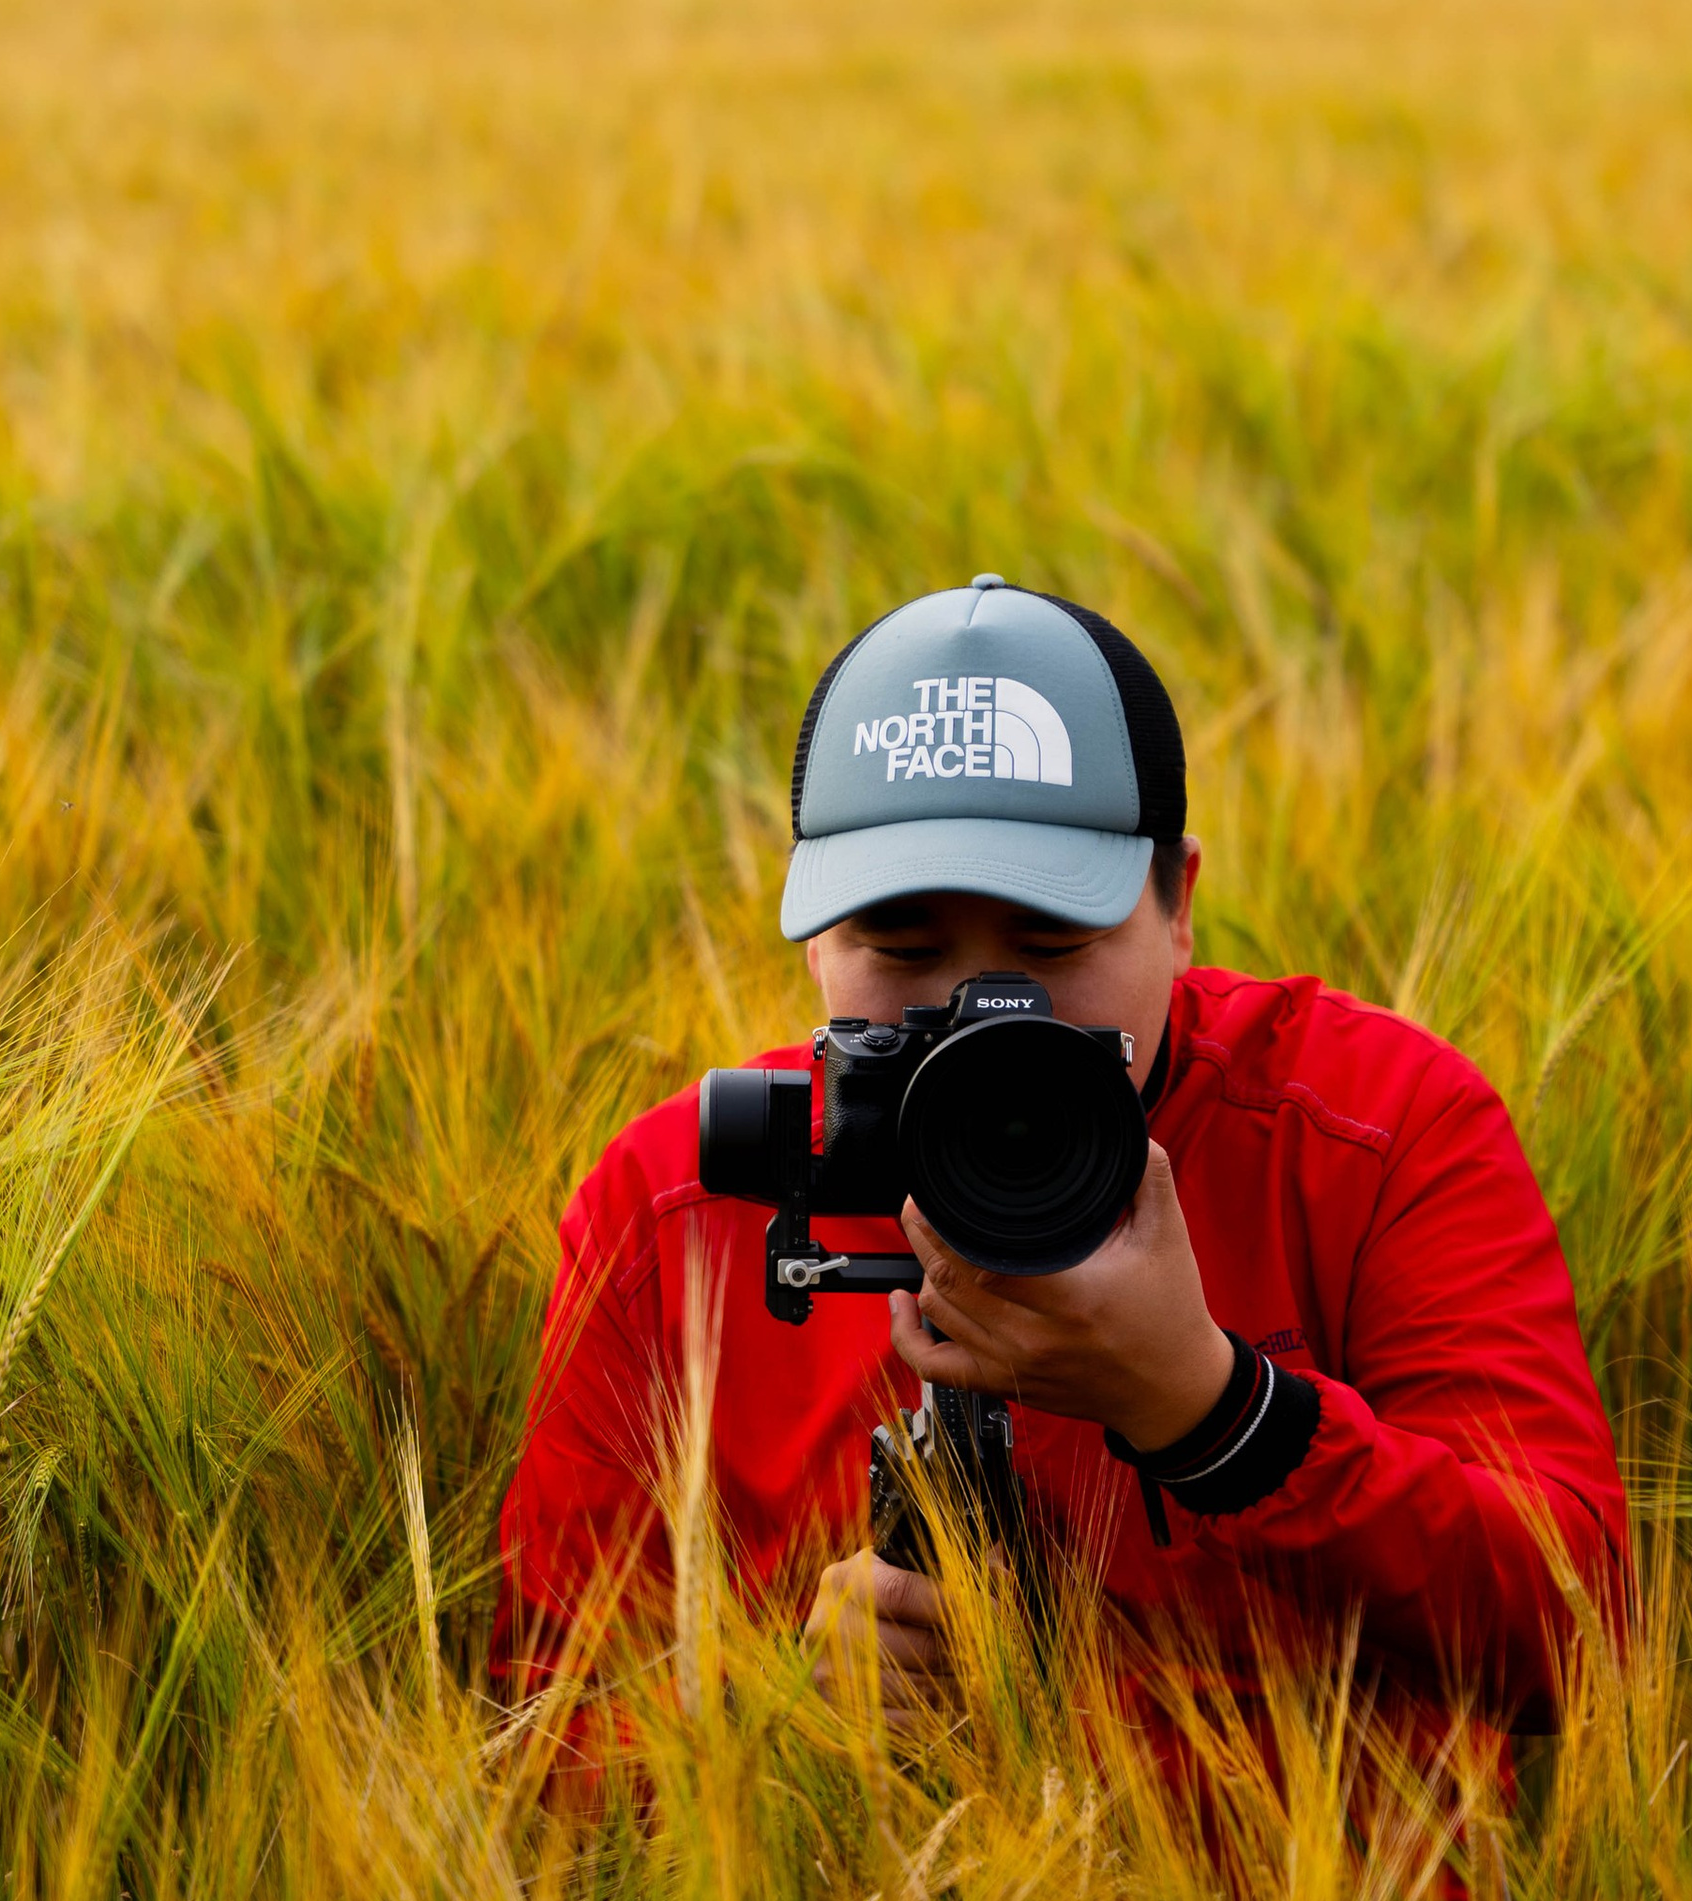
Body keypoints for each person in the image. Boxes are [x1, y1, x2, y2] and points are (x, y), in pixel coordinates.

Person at [492, 575, 1627, 1751]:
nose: (983, 1010)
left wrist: (1213, 1411)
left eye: (1052, 942)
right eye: (901, 944)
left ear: (1177, 903)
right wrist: (765, 1721)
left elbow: (1586, 1646)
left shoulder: (1376, 1131)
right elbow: (536, 1731)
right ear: (816, 935)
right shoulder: (674, 1198)